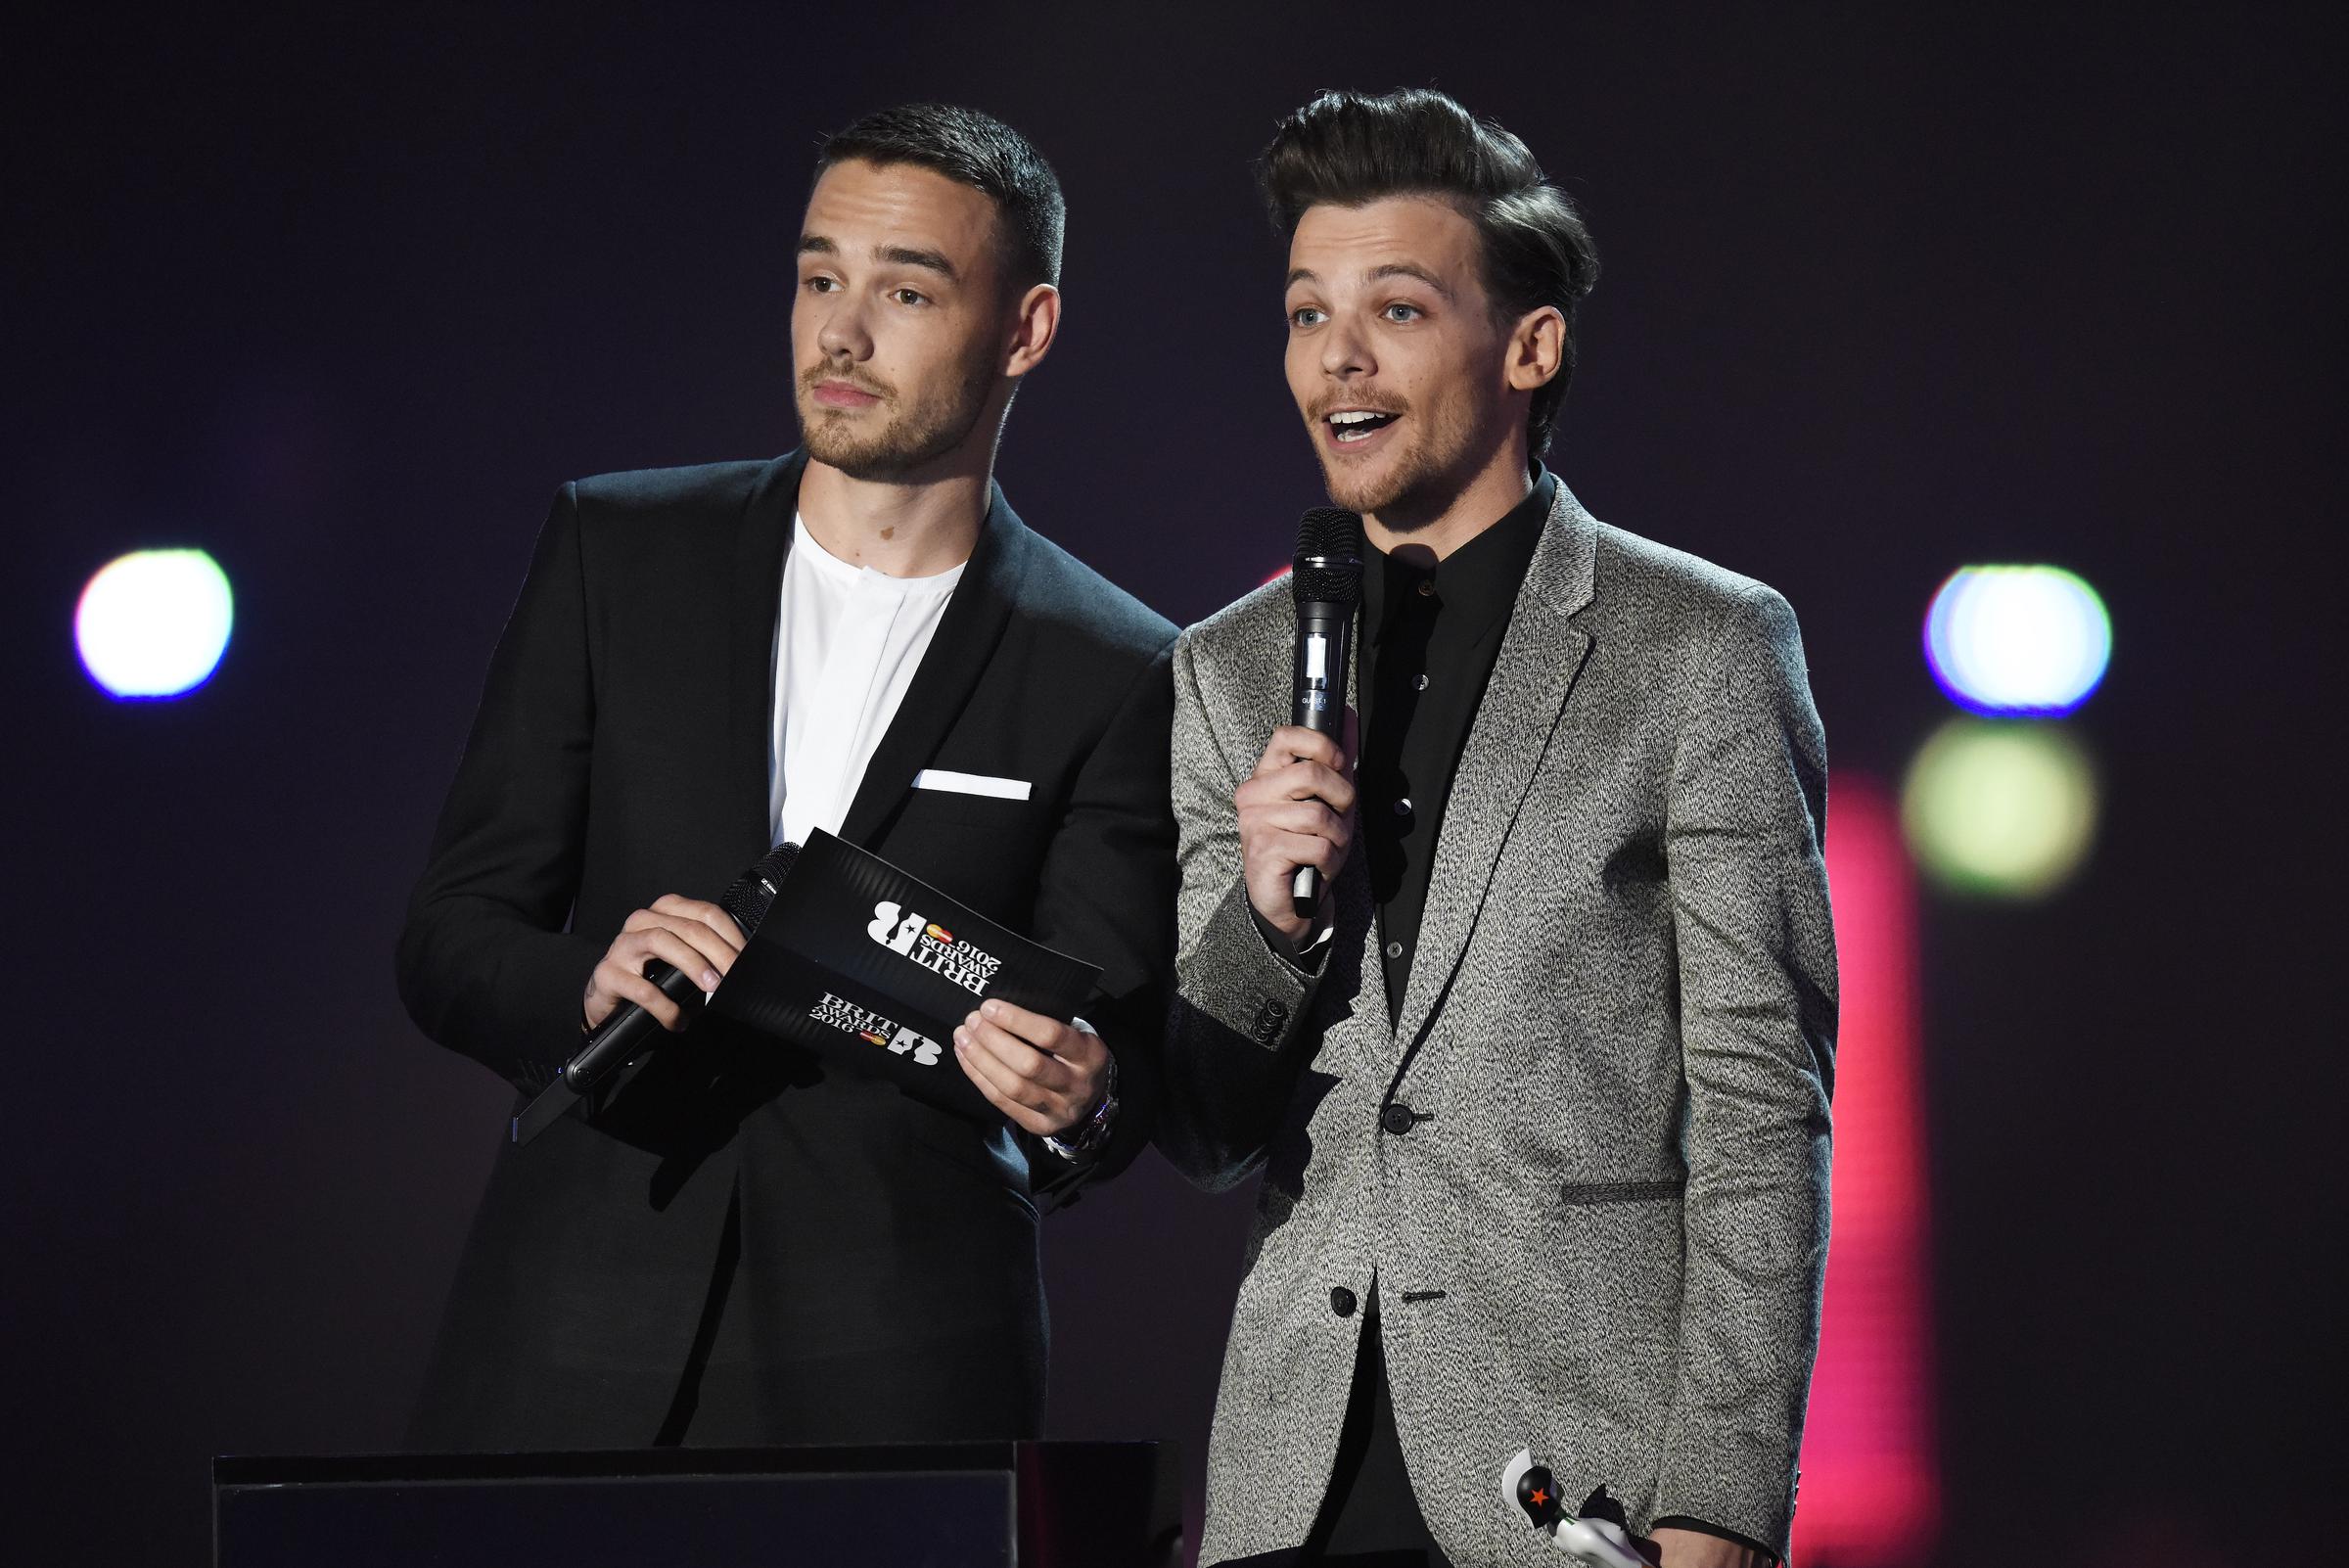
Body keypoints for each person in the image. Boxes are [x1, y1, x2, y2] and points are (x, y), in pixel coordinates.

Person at [396, 103, 1175, 1451]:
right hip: (567, 1337)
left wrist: (1083, 1096)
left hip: (902, 1366)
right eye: (820, 277)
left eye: (905, 289)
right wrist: (586, 980)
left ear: (1026, 328)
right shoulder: (616, 550)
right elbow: (449, 935)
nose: (841, 333)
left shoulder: (1115, 662)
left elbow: (1112, 1056)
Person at [1159, 89, 1836, 1566]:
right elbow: (1205, 1129)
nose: (1337, 355)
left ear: (1528, 347)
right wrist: (1268, 920)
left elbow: (1759, 1107)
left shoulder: (1698, 645)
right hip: (1296, 1477)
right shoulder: (1229, 669)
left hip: (1577, 1476)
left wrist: (1719, 1499)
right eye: (1304, 312)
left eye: (1396, 309)